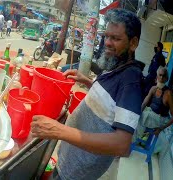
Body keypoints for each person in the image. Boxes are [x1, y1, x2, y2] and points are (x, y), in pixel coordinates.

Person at [31, 9, 143, 180]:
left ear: (133, 43)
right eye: (107, 36)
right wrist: (88, 82)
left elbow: (122, 144)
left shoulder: (131, 80)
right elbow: (111, 105)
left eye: (116, 38)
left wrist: (59, 130)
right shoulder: (117, 65)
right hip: (70, 159)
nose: (107, 42)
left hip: (78, 171)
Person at [134, 66, 173, 141]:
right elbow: (144, 103)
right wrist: (137, 113)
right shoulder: (153, 89)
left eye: (164, 76)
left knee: (144, 116)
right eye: (160, 75)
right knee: (137, 114)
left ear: (166, 78)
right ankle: (134, 137)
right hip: (150, 114)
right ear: (157, 77)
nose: (161, 78)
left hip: (160, 119)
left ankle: (134, 139)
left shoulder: (168, 94)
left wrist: (161, 129)